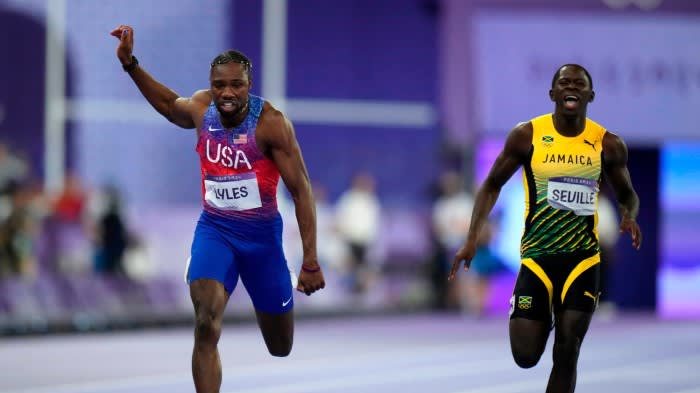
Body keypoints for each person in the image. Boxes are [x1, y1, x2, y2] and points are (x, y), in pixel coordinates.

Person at [110, 25, 325, 393]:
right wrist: (131, 65)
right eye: (218, 84)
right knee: (206, 323)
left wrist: (310, 260)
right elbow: (167, 104)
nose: (226, 92)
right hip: (216, 232)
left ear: (249, 84)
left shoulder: (271, 124)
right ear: (211, 83)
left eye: (236, 85)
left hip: (262, 241)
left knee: (280, 346)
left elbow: (301, 190)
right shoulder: (202, 107)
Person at [449, 64, 641, 393]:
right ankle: (547, 314)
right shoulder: (527, 135)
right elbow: (491, 185)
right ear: (552, 93)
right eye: (564, 82)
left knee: (568, 351)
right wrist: (471, 239)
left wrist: (629, 215)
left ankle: (562, 319)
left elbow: (628, 196)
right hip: (538, 259)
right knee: (525, 355)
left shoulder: (607, 144)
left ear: (589, 95)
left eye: (579, 84)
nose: (572, 87)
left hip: (583, 261)